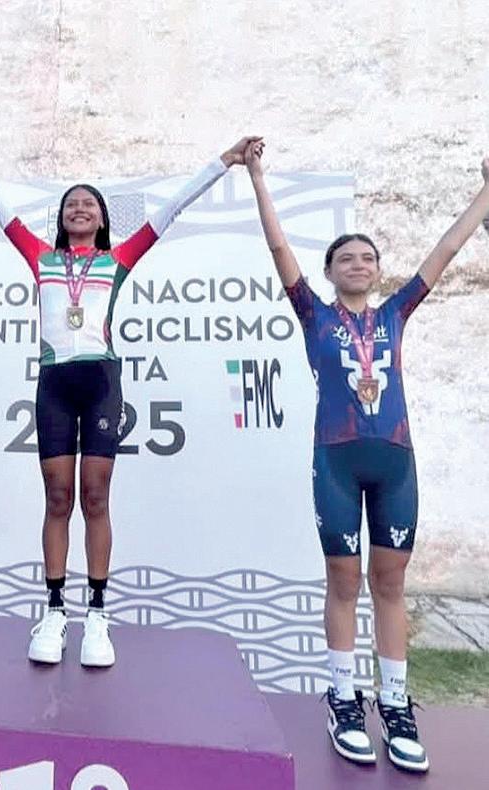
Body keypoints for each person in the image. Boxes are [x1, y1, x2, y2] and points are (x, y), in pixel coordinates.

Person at [0, 125, 258, 667]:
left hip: (102, 383)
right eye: (72, 203)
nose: (80, 208)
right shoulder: (40, 257)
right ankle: (54, 610)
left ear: (103, 219)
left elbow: (171, 211)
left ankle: (97, 613)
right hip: (54, 384)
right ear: (62, 219)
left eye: (89, 203)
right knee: (57, 498)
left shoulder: (119, 260)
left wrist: (223, 161)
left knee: (95, 497)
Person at [246, 143, 489, 773]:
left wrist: (486, 194)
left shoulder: (396, 313)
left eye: (368, 257)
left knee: (390, 583)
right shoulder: (313, 314)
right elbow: (278, 248)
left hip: (395, 464)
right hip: (336, 460)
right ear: (329, 272)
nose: (358, 263)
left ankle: (396, 703)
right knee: (343, 581)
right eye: (346, 258)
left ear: (378, 272)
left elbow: (445, 251)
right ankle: (343, 699)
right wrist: (257, 175)